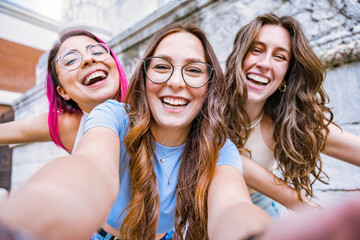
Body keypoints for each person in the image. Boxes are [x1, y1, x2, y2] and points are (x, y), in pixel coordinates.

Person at [0, 24, 270, 240]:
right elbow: (89, 169)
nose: (176, 82)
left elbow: (232, 204)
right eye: (162, 66)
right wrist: (30, 218)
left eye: (194, 70)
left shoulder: (213, 146)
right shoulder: (101, 118)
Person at [225, 13, 360, 217]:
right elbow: (226, 157)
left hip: (259, 207)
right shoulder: (207, 103)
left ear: (286, 76)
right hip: (197, 207)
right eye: (256, 50)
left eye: (280, 57)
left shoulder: (291, 121)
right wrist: (307, 207)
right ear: (239, 57)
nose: (264, 63)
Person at [0, 29, 128, 154]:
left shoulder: (146, 98)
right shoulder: (68, 126)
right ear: (63, 92)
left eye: (97, 52)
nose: (88, 59)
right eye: (71, 60)